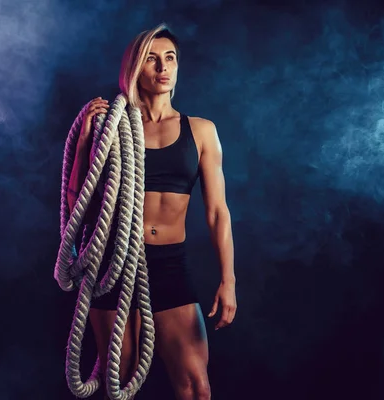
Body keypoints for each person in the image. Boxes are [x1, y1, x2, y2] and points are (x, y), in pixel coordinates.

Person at [66, 23, 237, 400]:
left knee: (196, 387)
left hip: (169, 264)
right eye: (151, 59)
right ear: (134, 69)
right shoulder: (113, 127)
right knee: (118, 380)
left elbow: (217, 213)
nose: (163, 67)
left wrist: (228, 280)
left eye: (170, 58)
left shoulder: (202, 130)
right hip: (116, 265)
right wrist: (83, 145)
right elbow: (78, 203)